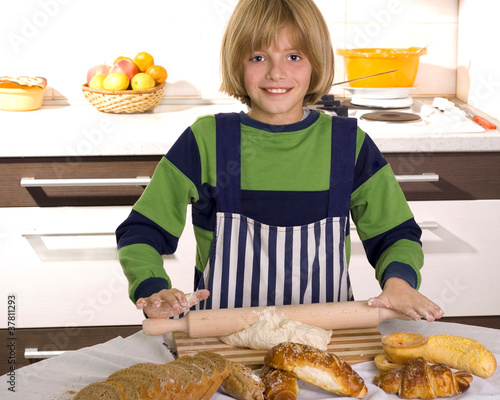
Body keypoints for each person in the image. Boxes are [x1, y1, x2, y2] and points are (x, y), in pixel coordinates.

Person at [116, 0, 444, 323]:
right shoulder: (206, 141)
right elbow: (142, 231)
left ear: (317, 63)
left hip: (325, 345)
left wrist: (399, 283)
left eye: (294, 56)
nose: (277, 72)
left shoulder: (347, 145)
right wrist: (152, 287)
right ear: (237, 64)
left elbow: (395, 235)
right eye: (259, 57)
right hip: (222, 346)